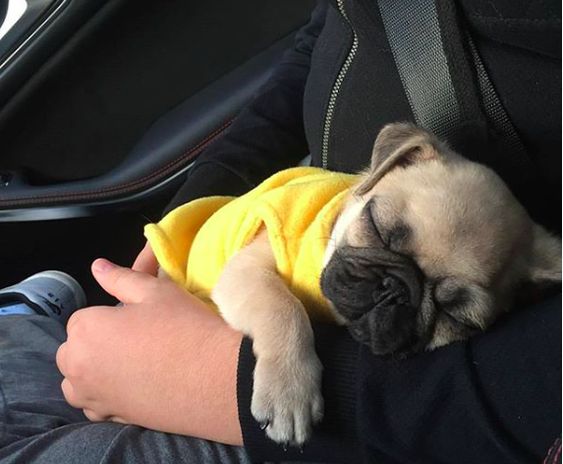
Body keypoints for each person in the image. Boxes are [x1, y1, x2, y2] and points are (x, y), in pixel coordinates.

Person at [0, 0, 560, 462]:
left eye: (452, 306)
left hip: (371, 413)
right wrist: (204, 197)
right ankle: (30, 313)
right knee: (20, 354)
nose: (392, 290)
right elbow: (322, 40)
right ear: (389, 165)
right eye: (384, 235)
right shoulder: (341, 202)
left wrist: (225, 383)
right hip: (224, 314)